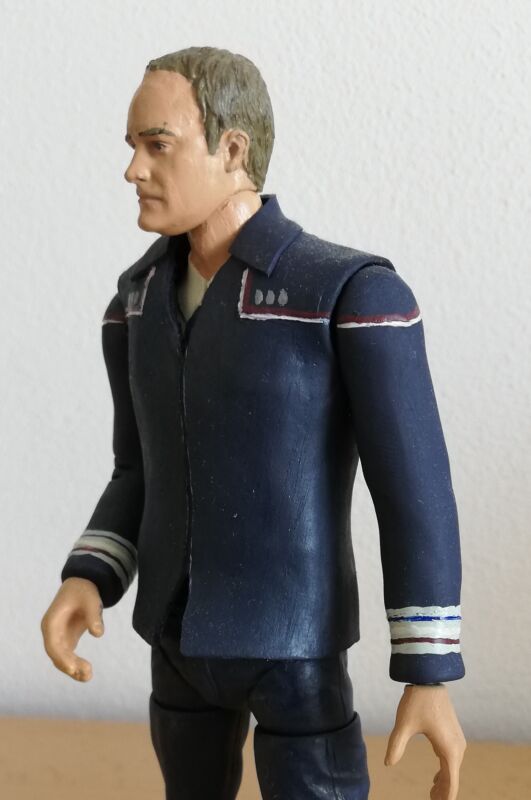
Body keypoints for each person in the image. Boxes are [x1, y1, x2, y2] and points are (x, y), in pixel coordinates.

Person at [41, 46, 466, 799]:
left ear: (232, 150)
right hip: (174, 638)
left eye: (158, 145)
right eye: (132, 147)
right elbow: (137, 469)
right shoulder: (136, 303)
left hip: (293, 648)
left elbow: (412, 490)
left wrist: (427, 669)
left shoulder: (345, 294)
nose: (133, 170)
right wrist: (89, 576)